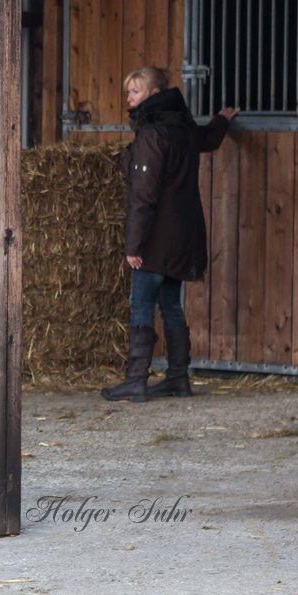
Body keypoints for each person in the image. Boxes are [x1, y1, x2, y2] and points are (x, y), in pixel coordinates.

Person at [101, 66, 239, 402]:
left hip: (157, 240)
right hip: (182, 235)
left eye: (134, 92)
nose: (129, 98)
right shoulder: (183, 127)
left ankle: (136, 380)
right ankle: (178, 377)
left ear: (152, 93)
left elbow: (144, 196)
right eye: (128, 92)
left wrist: (134, 245)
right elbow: (208, 139)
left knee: (141, 306)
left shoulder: (152, 135)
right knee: (171, 306)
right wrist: (222, 120)